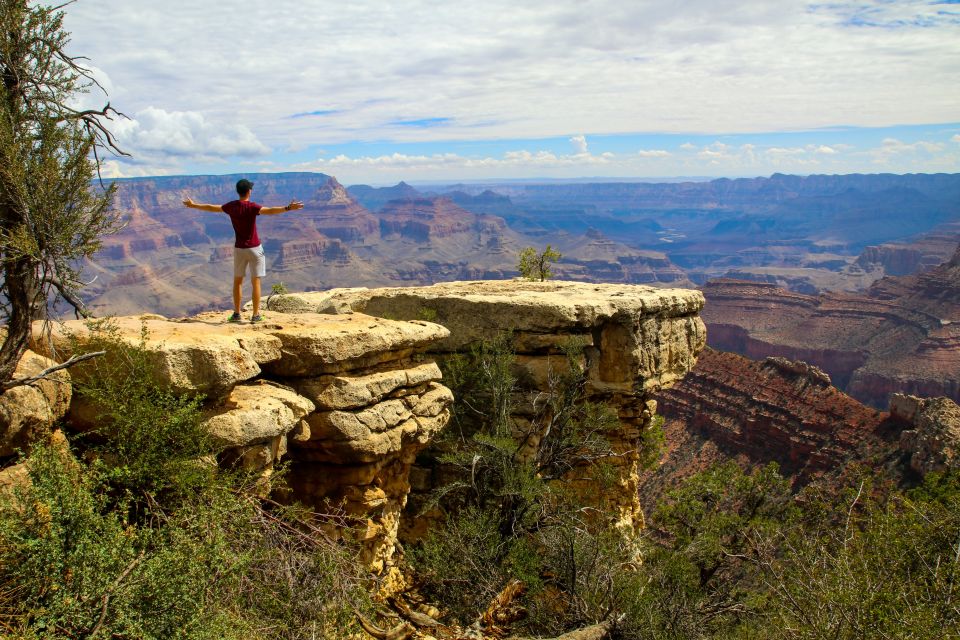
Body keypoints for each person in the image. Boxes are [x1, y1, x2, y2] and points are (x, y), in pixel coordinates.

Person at [182, 178, 303, 322]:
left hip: (239, 249)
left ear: (237, 191)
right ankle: (256, 315)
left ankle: (236, 314)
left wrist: (193, 205)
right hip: (255, 248)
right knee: (255, 282)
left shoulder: (231, 206)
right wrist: (288, 208)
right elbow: (270, 211)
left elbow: (211, 207)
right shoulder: (252, 207)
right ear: (249, 191)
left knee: (237, 281)